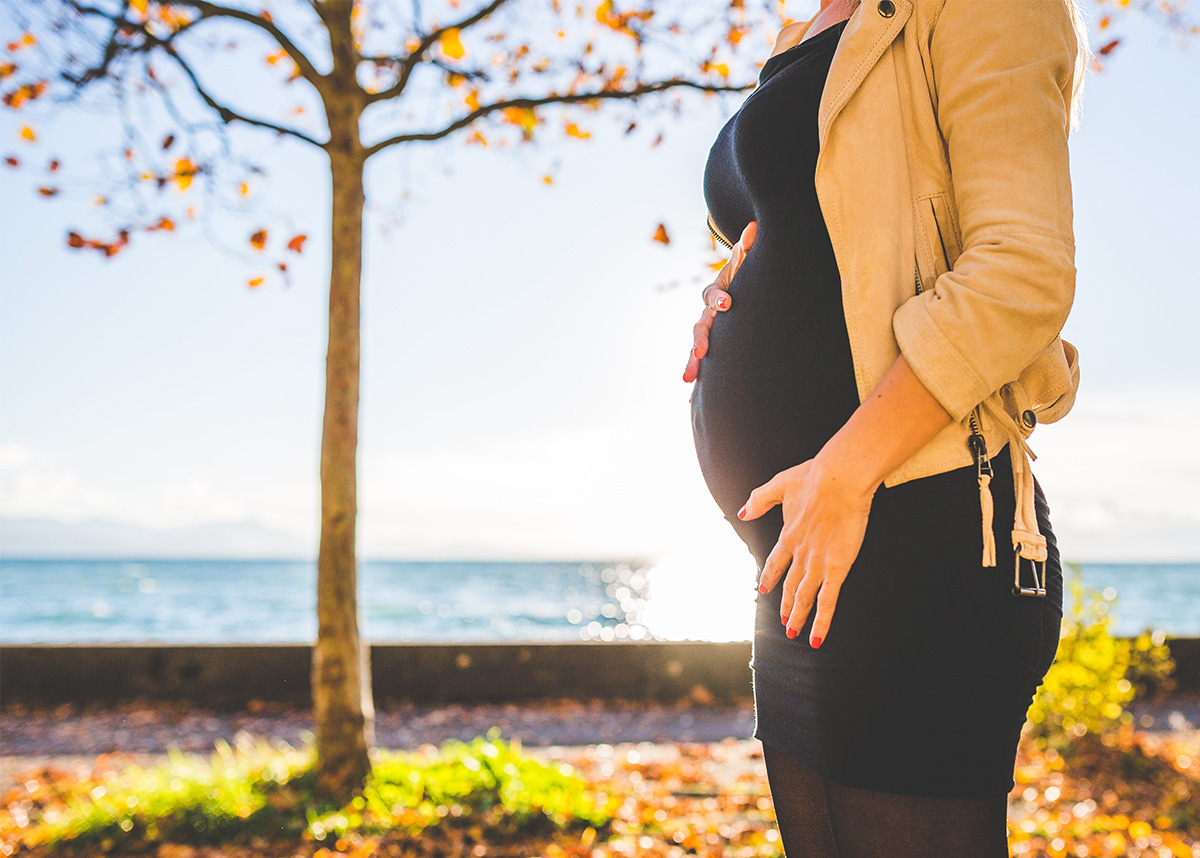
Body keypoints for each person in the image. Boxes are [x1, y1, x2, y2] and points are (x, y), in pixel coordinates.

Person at [682, 0, 1088, 855]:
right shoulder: (808, 27)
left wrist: (846, 469)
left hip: (918, 535)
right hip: (801, 557)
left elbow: (1022, 268)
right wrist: (729, 292)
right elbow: (822, 231)